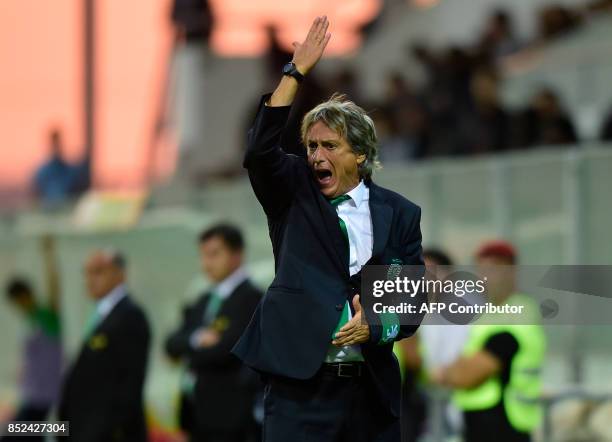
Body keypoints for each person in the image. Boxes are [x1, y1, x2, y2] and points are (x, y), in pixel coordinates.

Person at [232, 16, 425, 442]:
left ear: (359, 155)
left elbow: (408, 310)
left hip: (368, 395)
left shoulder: (401, 214)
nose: (316, 156)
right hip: (300, 390)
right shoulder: (293, 194)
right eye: (311, 146)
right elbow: (260, 151)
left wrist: (374, 325)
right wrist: (294, 73)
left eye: (329, 146)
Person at [431, 240, 546, 442]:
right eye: (481, 270)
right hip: (478, 425)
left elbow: (469, 374)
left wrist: (447, 373)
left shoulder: (520, 313)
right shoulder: (486, 312)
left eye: (494, 269)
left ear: (512, 272)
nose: (486, 277)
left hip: (505, 426)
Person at [165, 224, 262, 442]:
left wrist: (188, 347)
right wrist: (197, 338)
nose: (206, 263)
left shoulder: (251, 298)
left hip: (231, 418)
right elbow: (170, 344)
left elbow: (227, 350)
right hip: (196, 416)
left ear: (237, 255)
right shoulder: (203, 300)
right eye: (203, 255)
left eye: (214, 254)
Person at [57, 250, 150, 442]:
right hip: (84, 428)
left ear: (120, 274)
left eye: (98, 272)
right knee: (18, 430)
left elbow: (128, 385)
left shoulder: (129, 317)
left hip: (106, 433)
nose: (90, 280)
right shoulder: (102, 316)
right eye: (87, 273)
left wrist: (105, 431)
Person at [1, 236, 63, 442]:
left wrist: (48, 254)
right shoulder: (28, 321)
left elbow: (54, 289)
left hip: (44, 396)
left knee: (12, 435)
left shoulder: (46, 317)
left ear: (25, 295)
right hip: (32, 394)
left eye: (17, 301)